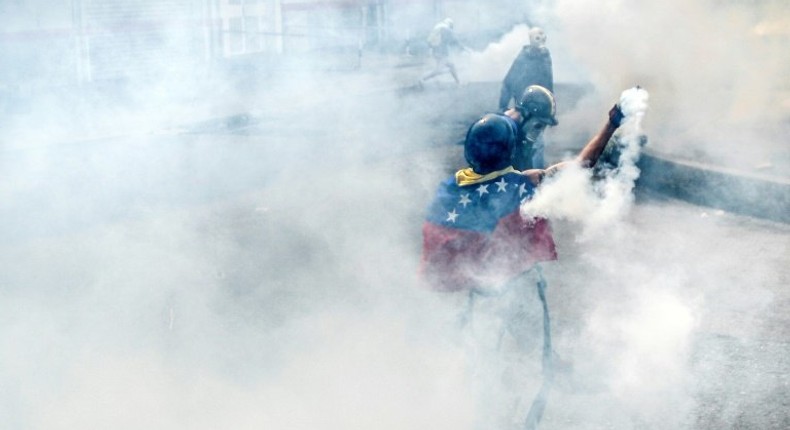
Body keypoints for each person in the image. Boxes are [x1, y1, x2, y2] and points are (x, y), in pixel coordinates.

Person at [420, 102, 625, 429]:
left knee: (480, 366)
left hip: (480, 299)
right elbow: (579, 167)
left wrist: (510, 116)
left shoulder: (450, 192)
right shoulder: (522, 186)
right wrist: (611, 124)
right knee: (529, 366)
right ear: (509, 152)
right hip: (518, 292)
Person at [503, 85, 558, 171]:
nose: (540, 131)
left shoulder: (517, 132)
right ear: (526, 114)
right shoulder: (501, 130)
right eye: (539, 125)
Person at [498, 27, 554, 112]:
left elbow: (548, 81)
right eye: (537, 37)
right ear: (531, 39)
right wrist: (502, 107)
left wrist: (549, 107)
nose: (540, 39)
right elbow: (508, 82)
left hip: (539, 104)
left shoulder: (545, 57)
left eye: (541, 35)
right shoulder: (524, 56)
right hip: (523, 103)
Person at [418, 18, 468, 87]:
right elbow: (454, 40)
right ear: (450, 25)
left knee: (451, 65)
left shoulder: (437, 27)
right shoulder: (446, 29)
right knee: (439, 70)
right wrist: (462, 48)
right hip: (441, 52)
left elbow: (430, 41)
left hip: (436, 51)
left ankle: (458, 82)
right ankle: (423, 79)